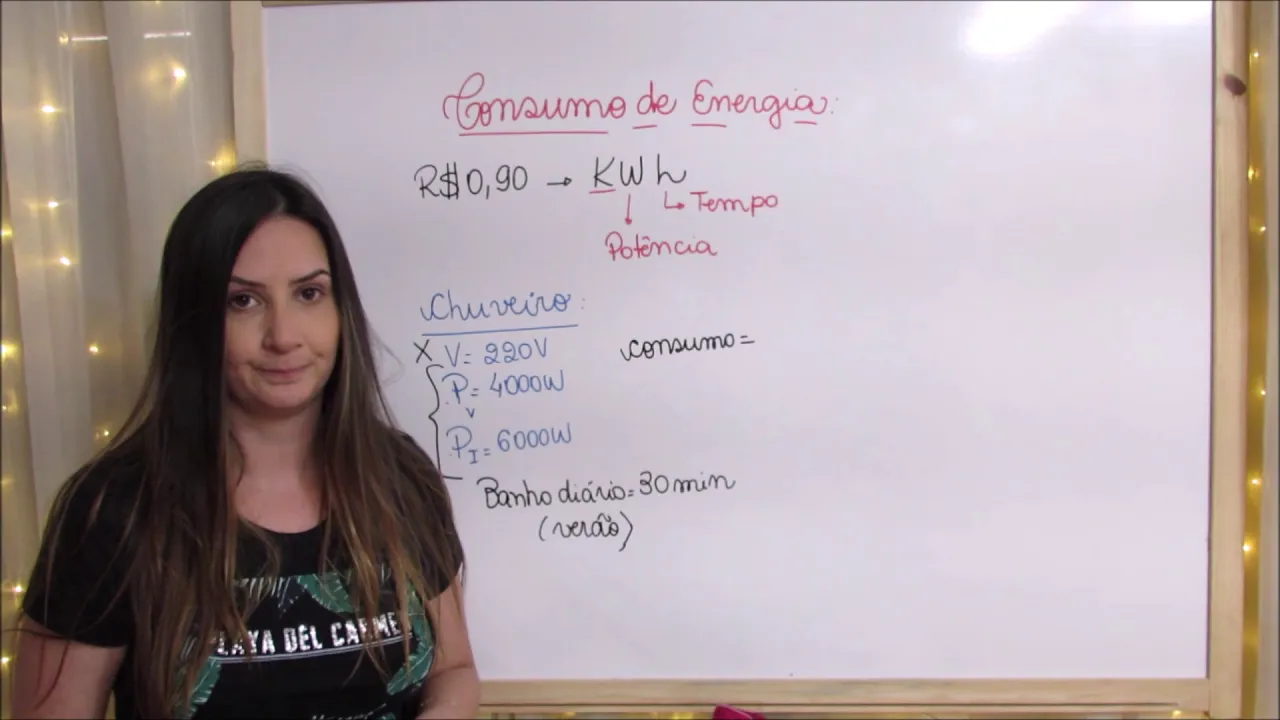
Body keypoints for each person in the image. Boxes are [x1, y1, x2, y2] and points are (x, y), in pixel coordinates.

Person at [11, 166, 479, 720]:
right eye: (243, 301)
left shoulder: (400, 477)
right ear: (194, 320)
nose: (283, 336)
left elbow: (452, 670)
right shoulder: (113, 508)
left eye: (308, 293)